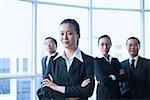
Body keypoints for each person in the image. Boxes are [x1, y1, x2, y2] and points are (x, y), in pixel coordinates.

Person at [41, 19, 95, 100]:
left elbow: (87, 91)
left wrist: (55, 87)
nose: (65, 37)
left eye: (69, 33)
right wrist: (75, 92)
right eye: (62, 34)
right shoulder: (53, 61)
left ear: (78, 35)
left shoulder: (88, 60)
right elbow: (45, 89)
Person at [94, 35, 127, 100]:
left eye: (107, 44)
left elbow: (125, 77)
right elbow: (104, 81)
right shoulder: (95, 61)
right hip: (104, 96)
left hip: (116, 95)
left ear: (110, 45)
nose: (105, 47)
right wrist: (117, 76)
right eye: (102, 44)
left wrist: (111, 77)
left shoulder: (115, 60)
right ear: (98, 46)